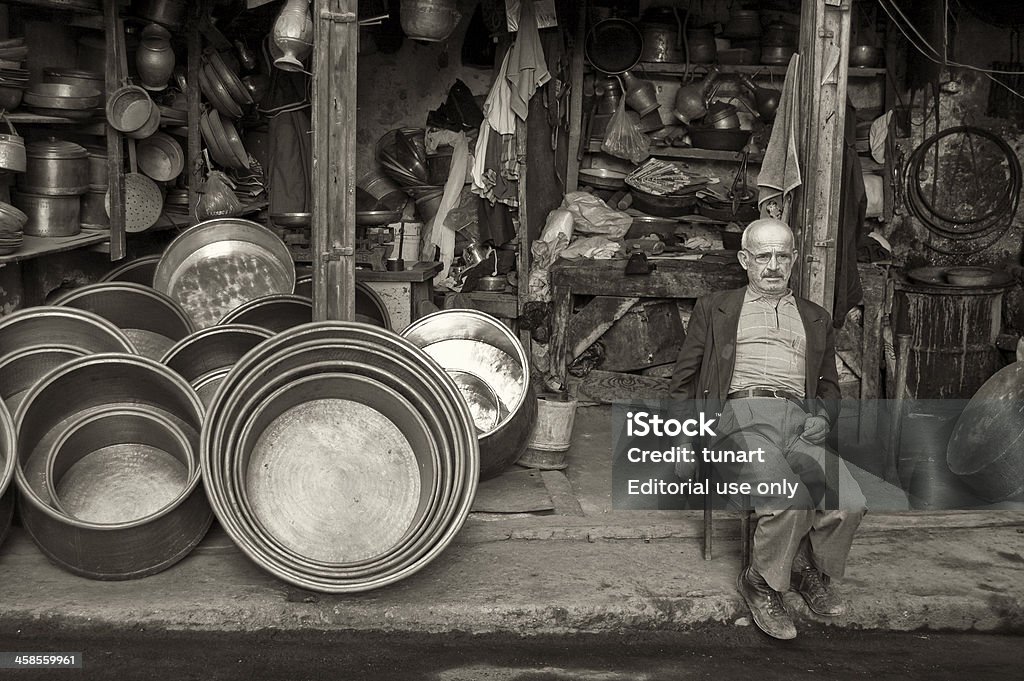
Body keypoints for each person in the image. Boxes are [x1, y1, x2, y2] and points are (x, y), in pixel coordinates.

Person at [668, 218, 866, 640]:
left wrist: (824, 417)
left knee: (849, 501)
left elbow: (829, 387)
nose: (773, 265)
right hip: (738, 419)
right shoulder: (716, 307)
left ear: (794, 260)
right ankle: (760, 582)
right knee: (789, 498)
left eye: (782, 256)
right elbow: (683, 380)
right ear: (745, 260)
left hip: (798, 422)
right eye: (763, 256)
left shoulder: (815, 317)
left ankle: (809, 569)